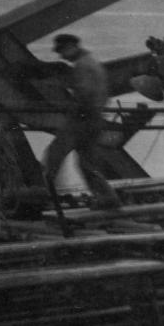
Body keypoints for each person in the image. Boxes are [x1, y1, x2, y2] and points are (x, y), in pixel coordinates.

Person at [43, 32, 120, 208]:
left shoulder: (82, 66)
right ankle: (108, 197)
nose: (61, 56)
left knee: (53, 156)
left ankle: (45, 197)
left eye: (62, 51)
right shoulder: (93, 63)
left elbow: (84, 94)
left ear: (71, 47)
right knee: (87, 163)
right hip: (95, 119)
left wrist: (71, 107)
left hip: (81, 120)